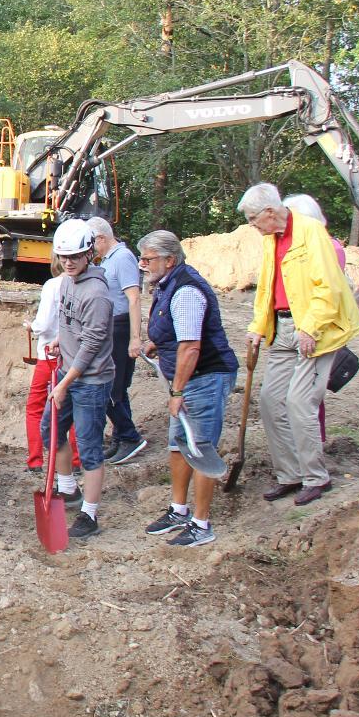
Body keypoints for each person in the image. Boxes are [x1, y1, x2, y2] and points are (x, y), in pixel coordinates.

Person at [239, 182, 359, 505]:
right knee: (270, 400)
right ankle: (289, 474)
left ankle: (315, 477)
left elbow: (330, 288)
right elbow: (267, 287)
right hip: (280, 326)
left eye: (254, 219)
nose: (252, 226)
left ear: (270, 212)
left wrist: (310, 327)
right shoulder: (271, 240)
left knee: (299, 402)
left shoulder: (311, 234)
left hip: (313, 329)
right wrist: (258, 326)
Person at [137, 230, 238, 546]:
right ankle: (179, 510)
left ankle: (201, 523)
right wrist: (158, 342)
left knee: (199, 448)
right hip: (189, 380)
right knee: (178, 445)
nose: (142, 264)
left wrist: (178, 392)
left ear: (169, 260)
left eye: (148, 259)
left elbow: (191, 347)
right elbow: (177, 332)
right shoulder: (168, 284)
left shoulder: (186, 291)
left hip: (204, 379)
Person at [44, 218, 115, 538]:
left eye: (75, 257)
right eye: (64, 257)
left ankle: (90, 514)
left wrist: (63, 383)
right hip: (68, 372)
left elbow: (91, 347)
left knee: (88, 447)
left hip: (91, 380)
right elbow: (71, 322)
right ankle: (69, 487)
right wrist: (61, 339)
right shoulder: (68, 282)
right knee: (51, 429)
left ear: (89, 254)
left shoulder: (98, 294)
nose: (68, 263)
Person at [284, 193, 349, 444]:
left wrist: (310, 327)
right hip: (302, 325)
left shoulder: (327, 248)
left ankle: (313, 445)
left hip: (315, 328)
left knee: (308, 395)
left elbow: (325, 293)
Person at [88, 218, 146, 464]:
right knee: (117, 388)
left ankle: (131, 436)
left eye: (92, 242)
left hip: (120, 328)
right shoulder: (110, 259)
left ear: (101, 238)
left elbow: (133, 298)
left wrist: (135, 337)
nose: (91, 249)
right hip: (111, 326)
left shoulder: (122, 258)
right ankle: (121, 438)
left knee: (110, 388)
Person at [23, 254, 76, 474]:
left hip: (49, 356)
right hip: (73, 357)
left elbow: (43, 325)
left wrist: (30, 326)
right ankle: (75, 459)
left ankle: (36, 460)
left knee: (35, 407)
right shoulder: (84, 285)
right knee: (72, 408)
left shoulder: (53, 285)